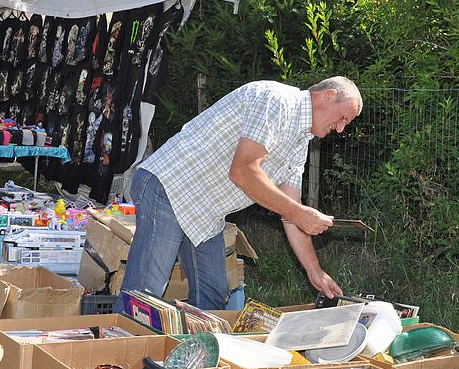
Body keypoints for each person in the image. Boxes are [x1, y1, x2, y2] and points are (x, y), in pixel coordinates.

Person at [114, 77, 363, 312]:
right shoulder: (277, 101)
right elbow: (243, 171)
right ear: (329, 96)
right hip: (170, 186)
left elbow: (291, 211)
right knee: (143, 297)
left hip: (204, 210)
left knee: (213, 298)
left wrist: (315, 271)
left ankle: (196, 356)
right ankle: (112, 352)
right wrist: (300, 213)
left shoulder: (301, 141)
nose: (340, 128)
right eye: (342, 117)